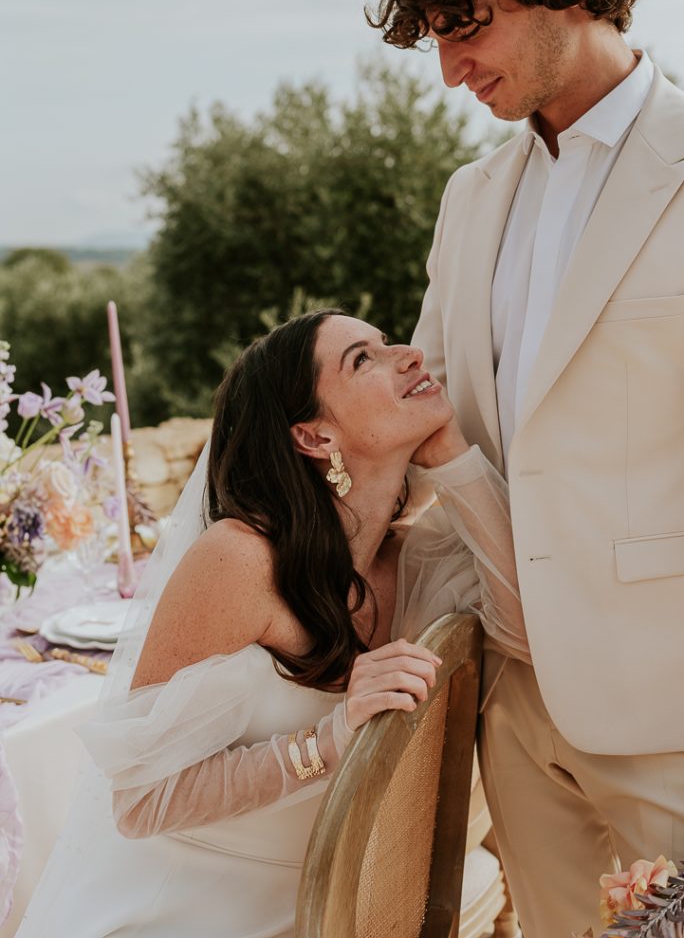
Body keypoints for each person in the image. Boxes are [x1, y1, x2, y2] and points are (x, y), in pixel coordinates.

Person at [370, 0, 684, 934]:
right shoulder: (472, 197)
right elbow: (424, 420)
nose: (453, 69)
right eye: (437, 35)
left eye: (471, 26)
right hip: (509, 697)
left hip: (667, 708)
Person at [17, 310, 527, 938]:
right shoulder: (240, 559)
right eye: (362, 359)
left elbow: (530, 629)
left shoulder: (418, 557)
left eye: (387, 342)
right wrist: (331, 738)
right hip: (191, 906)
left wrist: (449, 451)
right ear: (314, 437)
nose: (410, 355)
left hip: (341, 897)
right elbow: (142, 799)